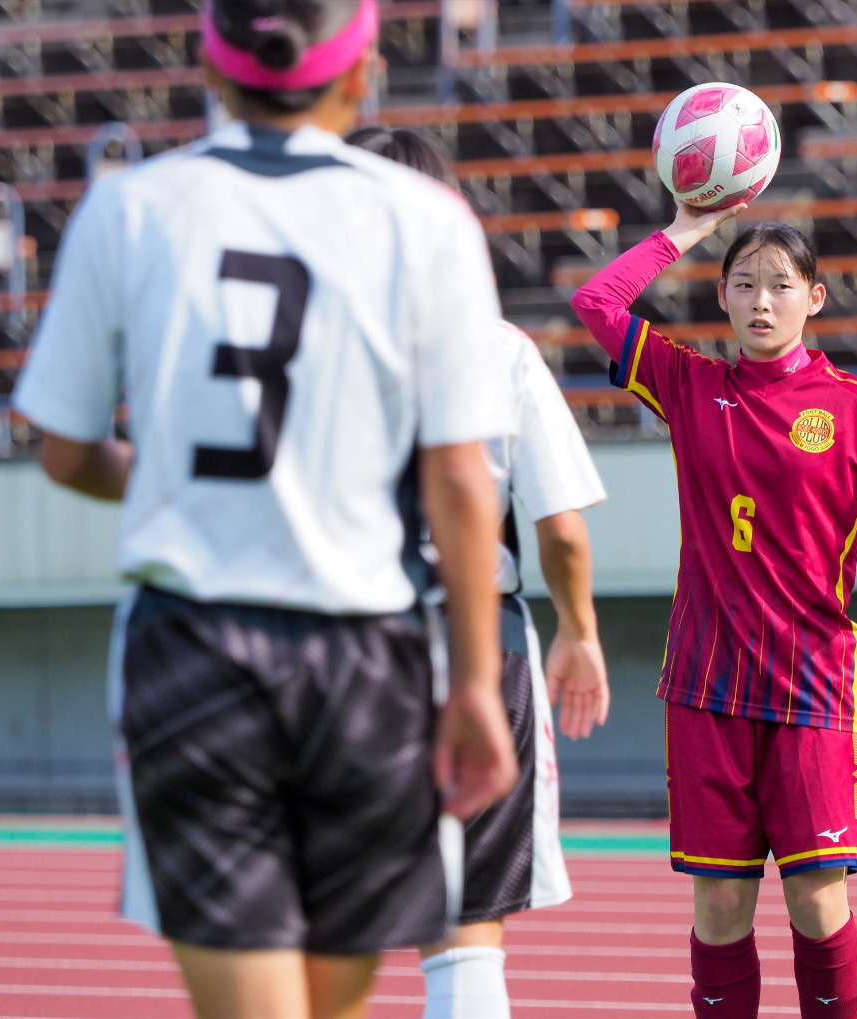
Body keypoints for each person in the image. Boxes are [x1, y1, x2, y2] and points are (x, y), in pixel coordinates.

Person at [12, 3, 518, 1017]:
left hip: (193, 645)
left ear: (209, 54)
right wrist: (473, 678)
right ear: (365, 64)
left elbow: (63, 450)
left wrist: (168, 479)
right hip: (366, 650)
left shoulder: (131, 207)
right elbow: (462, 481)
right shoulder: (428, 221)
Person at [571, 203, 857, 1019]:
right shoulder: (691, 386)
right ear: (724, 300)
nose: (762, 301)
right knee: (721, 911)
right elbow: (597, 303)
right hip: (706, 689)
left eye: (780, 285)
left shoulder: (856, 406)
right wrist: (684, 230)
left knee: (816, 902)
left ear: (816, 297)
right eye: (743, 285)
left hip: (813, 689)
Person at [345, 124, 612, 1019]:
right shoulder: (498, 348)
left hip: (330, 642)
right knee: (466, 931)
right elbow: (562, 531)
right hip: (474, 645)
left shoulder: (297, 346)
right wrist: (579, 630)